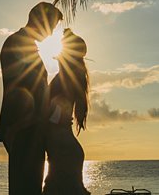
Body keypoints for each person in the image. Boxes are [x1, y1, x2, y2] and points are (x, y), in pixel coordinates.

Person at [0, 2, 63, 195]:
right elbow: (26, 90)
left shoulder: (24, 43)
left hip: (28, 128)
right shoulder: (19, 44)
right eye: (51, 27)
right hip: (25, 127)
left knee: (29, 186)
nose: (50, 34)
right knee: (26, 187)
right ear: (41, 21)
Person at [43, 28, 90, 195]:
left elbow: (57, 115)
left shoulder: (65, 79)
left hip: (63, 148)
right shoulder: (70, 77)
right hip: (64, 147)